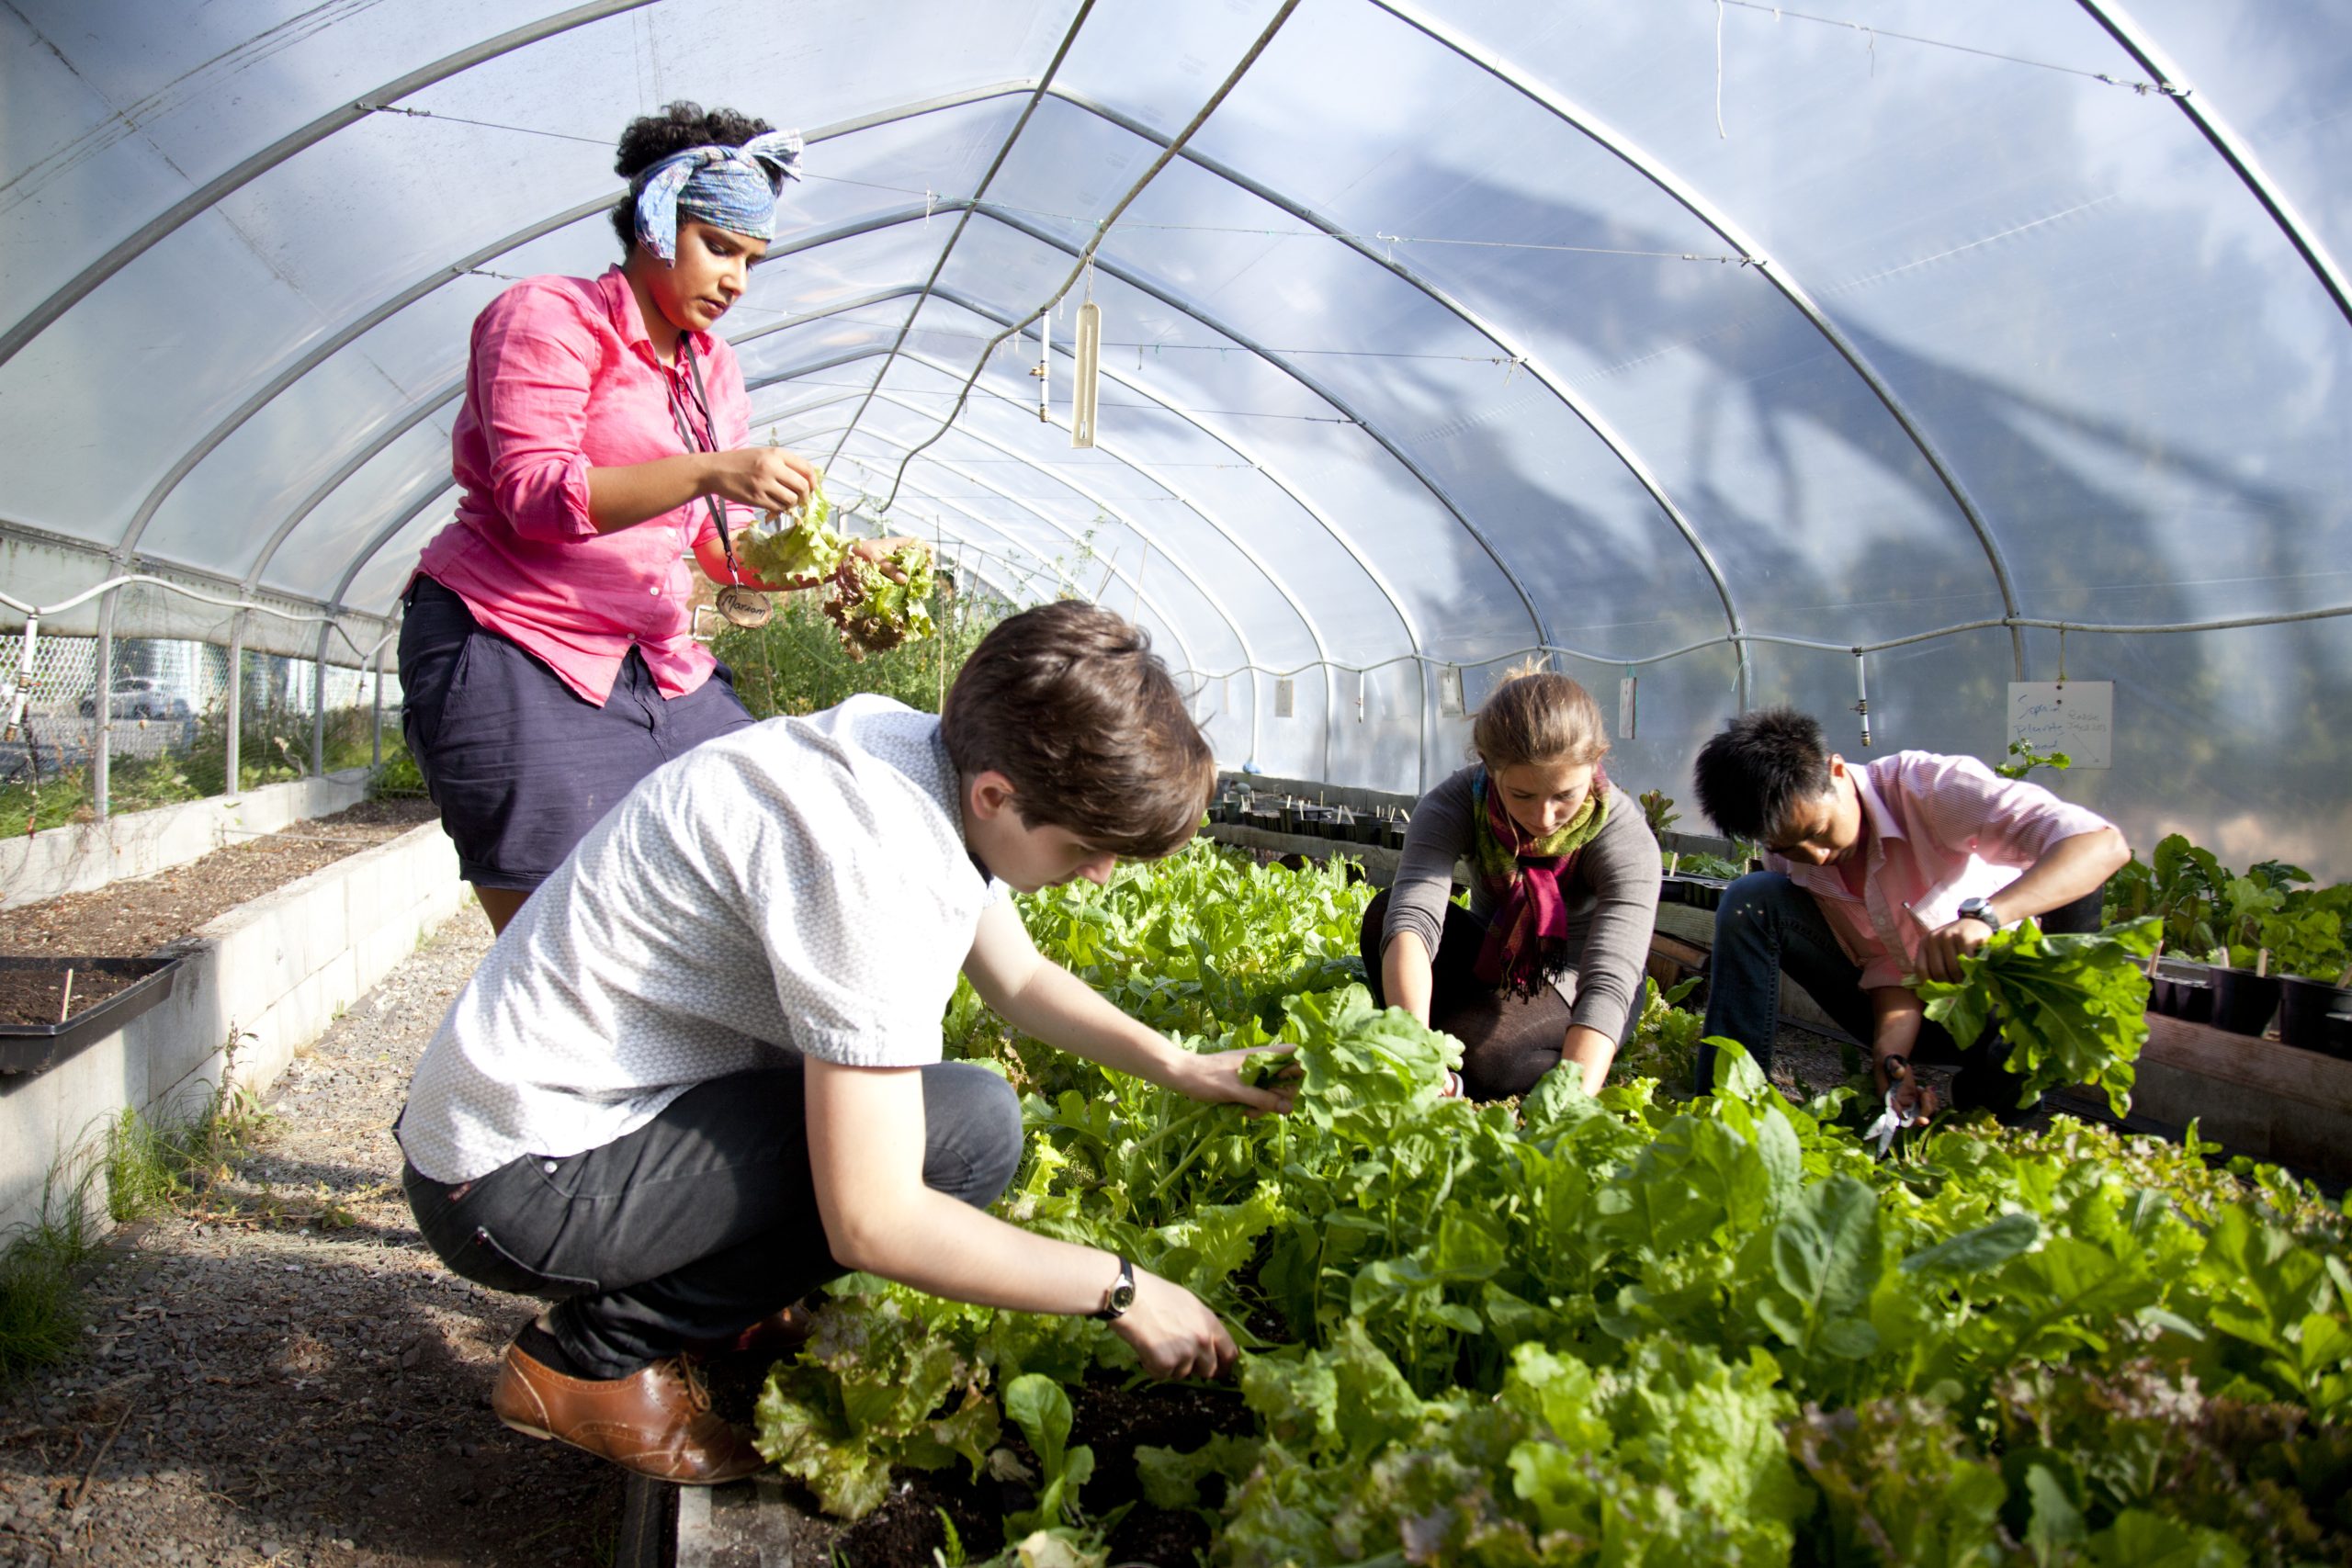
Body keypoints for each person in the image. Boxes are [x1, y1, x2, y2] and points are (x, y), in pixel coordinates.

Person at [393, 603, 1290, 1484]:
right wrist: (1122, 1287)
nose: (1097, 874)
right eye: (1087, 849)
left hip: (551, 1120)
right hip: (516, 1180)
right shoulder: (876, 863)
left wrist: (1177, 1064)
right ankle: (586, 1360)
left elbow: (1014, 979)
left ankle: (715, 1312)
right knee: (962, 1134)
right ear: (996, 797)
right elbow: (875, 1220)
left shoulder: (913, 753)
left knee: (956, 1113)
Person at [397, 100, 910, 936]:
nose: (737, 279)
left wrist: (845, 561)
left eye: (753, 259)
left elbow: (718, 550)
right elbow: (535, 493)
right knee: (561, 942)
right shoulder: (548, 318)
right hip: (514, 643)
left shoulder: (715, 371)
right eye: (720, 247)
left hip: (656, 662)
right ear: (656, 223)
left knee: (771, 827)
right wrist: (710, 469)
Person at [1689, 707, 2131, 1120]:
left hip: (2008, 1012)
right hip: (1924, 1012)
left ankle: (1990, 1101)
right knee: (1752, 897)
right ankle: (1727, 1106)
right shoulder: (1792, 859)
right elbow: (1887, 964)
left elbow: (2100, 843)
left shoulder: (1931, 789)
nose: (1816, 856)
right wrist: (1890, 1057)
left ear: (1836, 771)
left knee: (2073, 893)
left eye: (1818, 832)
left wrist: (1987, 917)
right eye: (1785, 847)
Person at [1361, 667, 1661, 1100]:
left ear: (1596, 762)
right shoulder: (1455, 802)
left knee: (1483, 1059)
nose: (1543, 818)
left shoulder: (1623, 837)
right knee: (1385, 914)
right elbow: (1415, 917)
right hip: (1495, 957)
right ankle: (1463, 1030)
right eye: (1522, 795)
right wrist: (1416, 1049)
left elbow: (1609, 976)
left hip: (1572, 977)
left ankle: (1570, 1053)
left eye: (1564, 796)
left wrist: (1567, 1105)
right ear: (1489, 766)